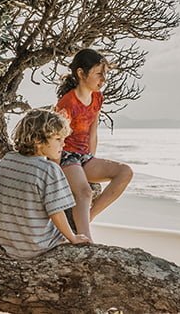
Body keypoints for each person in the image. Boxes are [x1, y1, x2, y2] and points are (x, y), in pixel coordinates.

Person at [0, 108, 90, 258]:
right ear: (38, 140)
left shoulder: (8, 160)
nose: (63, 144)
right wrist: (72, 238)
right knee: (71, 233)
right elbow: (56, 212)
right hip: (40, 247)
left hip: (9, 245)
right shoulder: (49, 170)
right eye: (58, 139)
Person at [55, 48, 133, 238]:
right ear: (81, 73)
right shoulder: (67, 102)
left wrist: (91, 159)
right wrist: (54, 173)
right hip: (65, 157)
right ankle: (85, 238)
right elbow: (56, 139)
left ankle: (87, 219)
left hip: (85, 158)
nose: (103, 79)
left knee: (125, 172)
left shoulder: (97, 97)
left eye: (104, 74)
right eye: (98, 74)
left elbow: (93, 132)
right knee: (85, 192)